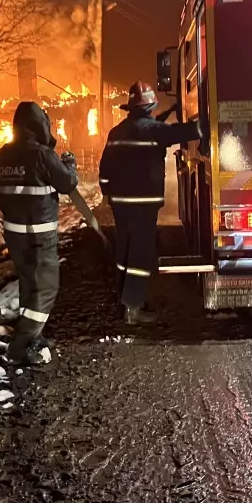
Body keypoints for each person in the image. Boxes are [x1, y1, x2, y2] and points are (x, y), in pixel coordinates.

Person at [99, 81, 201, 324]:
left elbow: (104, 169)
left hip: (121, 204)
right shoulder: (155, 131)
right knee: (140, 255)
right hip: (144, 205)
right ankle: (133, 309)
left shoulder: (116, 132)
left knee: (124, 250)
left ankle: (124, 299)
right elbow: (183, 132)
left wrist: (107, 191)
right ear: (151, 107)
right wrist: (206, 123)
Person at [0, 101, 79, 365]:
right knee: (46, 288)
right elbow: (67, 183)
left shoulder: (2, 155)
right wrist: (70, 165)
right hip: (38, 235)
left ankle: (33, 336)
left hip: (15, 235)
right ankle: (21, 346)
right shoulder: (42, 155)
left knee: (29, 285)